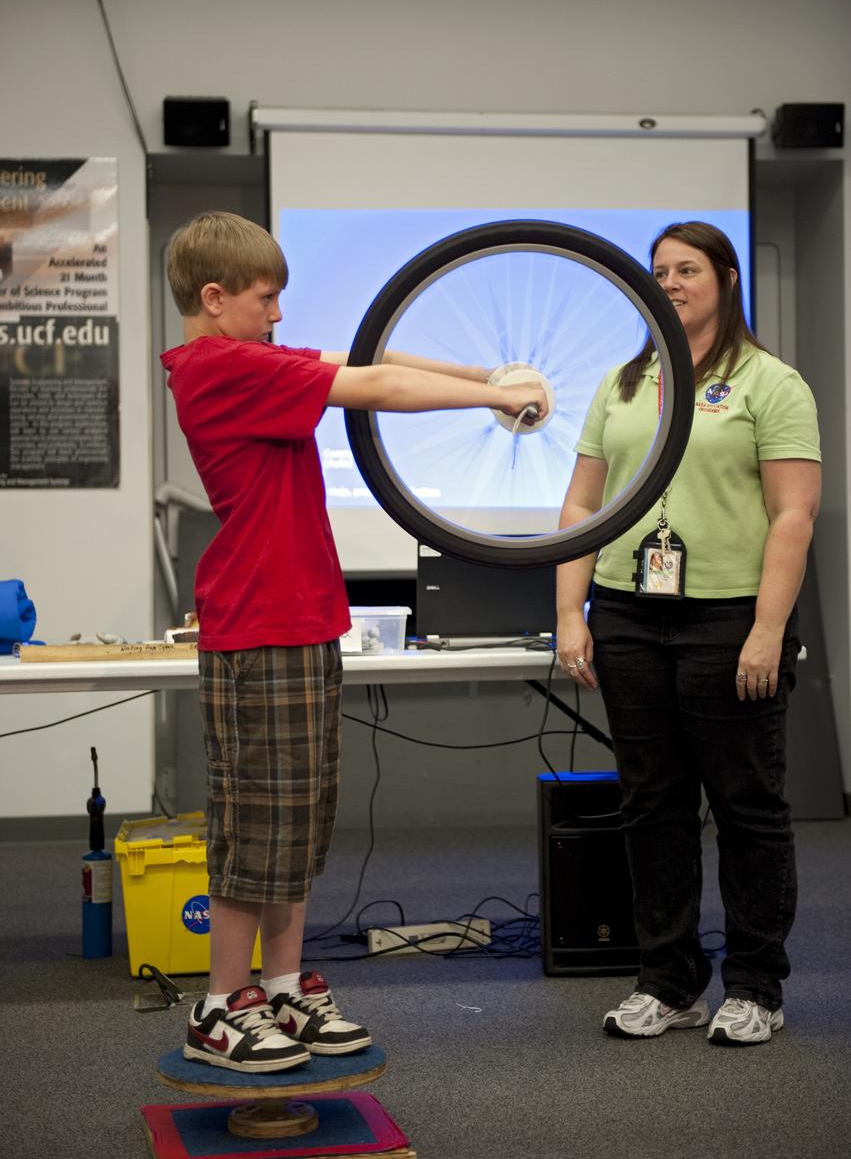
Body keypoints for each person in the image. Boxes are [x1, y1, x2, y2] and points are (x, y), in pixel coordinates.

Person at [162, 210, 546, 1072]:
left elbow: (357, 361)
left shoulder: (250, 357)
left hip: (298, 620)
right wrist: (494, 399)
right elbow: (374, 390)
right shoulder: (217, 367)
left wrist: (485, 370)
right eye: (266, 300)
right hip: (257, 627)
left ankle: (285, 985)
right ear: (216, 300)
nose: (279, 316)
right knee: (256, 822)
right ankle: (221, 1006)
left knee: (296, 823)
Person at [556, 221, 821, 1046]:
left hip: (727, 619)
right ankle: (668, 982)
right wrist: (571, 611)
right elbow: (581, 507)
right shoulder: (622, 384)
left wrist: (766, 630)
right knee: (651, 807)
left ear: (726, 279)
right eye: (658, 270)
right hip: (628, 613)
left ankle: (755, 987)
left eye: (687, 269)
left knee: (747, 809)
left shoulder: (770, 384)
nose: (669, 282)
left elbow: (793, 514)